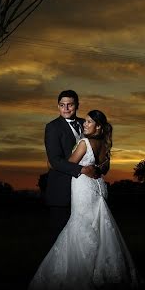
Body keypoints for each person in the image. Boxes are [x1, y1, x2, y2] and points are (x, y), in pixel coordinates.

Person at [29, 110, 140, 290]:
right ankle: (102, 273)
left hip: (83, 188)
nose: (85, 124)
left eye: (89, 122)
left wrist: (52, 163)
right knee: (98, 228)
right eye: (86, 121)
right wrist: (94, 168)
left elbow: (70, 164)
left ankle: (80, 275)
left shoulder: (84, 142)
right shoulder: (104, 144)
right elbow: (104, 169)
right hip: (98, 187)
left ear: (97, 126)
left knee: (80, 226)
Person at [44, 90, 101, 244]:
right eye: (62, 105)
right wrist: (82, 170)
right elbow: (54, 160)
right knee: (60, 239)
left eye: (70, 105)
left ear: (77, 105)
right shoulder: (52, 127)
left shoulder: (86, 123)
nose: (66, 108)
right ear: (58, 106)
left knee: (85, 237)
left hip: (84, 191)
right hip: (61, 190)